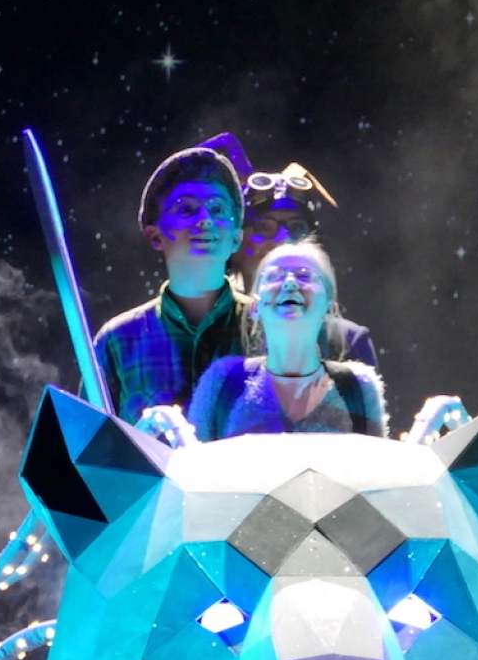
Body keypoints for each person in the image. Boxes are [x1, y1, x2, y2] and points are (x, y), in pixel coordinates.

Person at [92, 146, 250, 423]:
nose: (205, 220)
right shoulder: (117, 341)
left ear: (236, 237)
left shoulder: (269, 326)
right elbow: (90, 443)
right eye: (186, 209)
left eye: (217, 209)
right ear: (155, 236)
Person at [196, 132, 378, 367]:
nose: (284, 238)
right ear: (235, 243)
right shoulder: (211, 336)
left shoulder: (346, 341)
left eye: (297, 227)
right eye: (264, 227)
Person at [188, 239, 386, 441]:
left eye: (304, 276)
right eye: (275, 276)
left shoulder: (359, 387)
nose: (290, 283)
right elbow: (192, 460)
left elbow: (378, 460)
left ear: (330, 309)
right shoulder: (221, 382)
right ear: (254, 307)